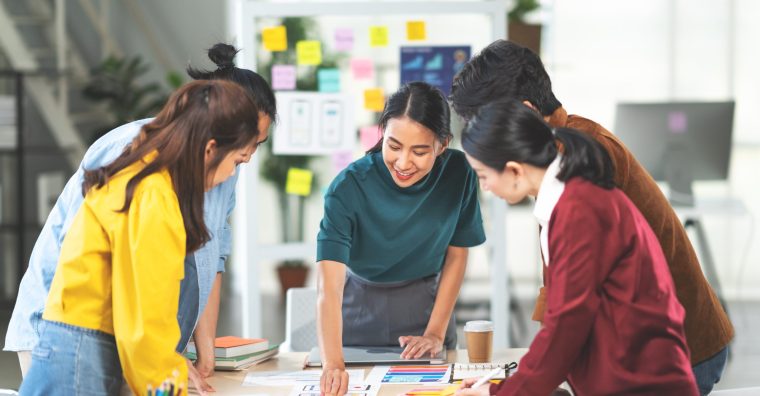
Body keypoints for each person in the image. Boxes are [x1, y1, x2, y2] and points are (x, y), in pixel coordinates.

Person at [449, 39, 732, 395]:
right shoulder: (559, 157)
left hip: (668, 355)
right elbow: (566, 301)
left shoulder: (578, 171)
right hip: (633, 354)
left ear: (522, 113)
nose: (484, 181)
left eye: (486, 122)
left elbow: (571, 314)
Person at [5, 43, 276, 393]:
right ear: (211, 147)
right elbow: (144, 324)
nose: (239, 168)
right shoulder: (153, 195)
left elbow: (148, 316)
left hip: (87, 339)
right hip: (82, 344)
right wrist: (169, 384)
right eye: (239, 158)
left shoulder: (153, 174)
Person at [317, 82, 486, 396]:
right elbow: (329, 285)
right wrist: (333, 362)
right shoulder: (348, 187)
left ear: (443, 144)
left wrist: (435, 332)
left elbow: (457, 255)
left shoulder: (459, 173)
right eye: (393, 146)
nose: (404, 162)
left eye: (419, 151)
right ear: (382, 133)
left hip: (426, 309)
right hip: (355, 314)